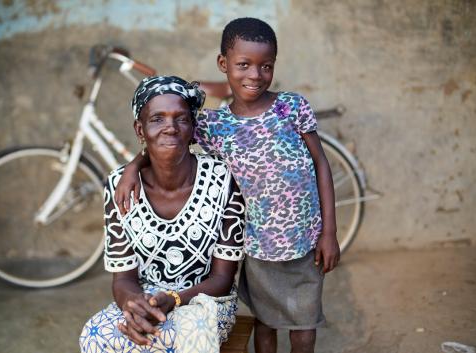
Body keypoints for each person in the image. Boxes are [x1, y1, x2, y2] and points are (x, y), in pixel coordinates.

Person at [115, 18, 340, 353]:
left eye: (266, 66)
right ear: (224, 64)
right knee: (266, 323)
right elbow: (170, 140)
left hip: (306, 243)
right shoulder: (214, 125)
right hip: (257, 248)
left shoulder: (291, 107)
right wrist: (134, 166)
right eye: (244, 65)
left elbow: (321, 164)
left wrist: (329, 233)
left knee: (304, 327)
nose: (255, 75)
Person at [79, 76, 246, 353]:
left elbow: (222, 279)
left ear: (193, 128)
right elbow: (123, 279)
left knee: (173, 337)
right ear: (140, 129)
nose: (170, 128)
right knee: (95, 336)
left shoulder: (223, 179)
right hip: (147, 298)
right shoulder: (119, 185)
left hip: (206, 303)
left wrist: (174, 299)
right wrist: (134, 306)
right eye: (157, 119)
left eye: (181, 119)